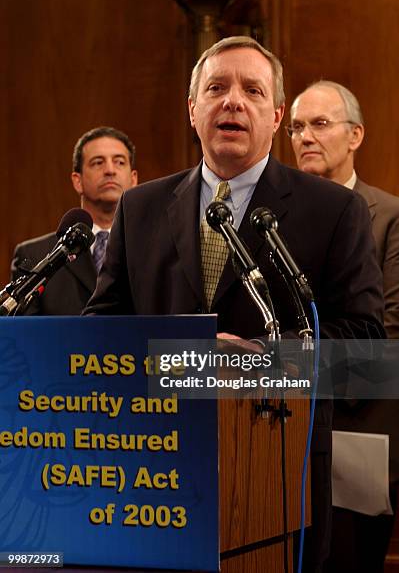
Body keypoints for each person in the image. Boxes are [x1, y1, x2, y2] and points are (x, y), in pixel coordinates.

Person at [83, 37, 385, 571]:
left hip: (277, 475)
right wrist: (186, 356)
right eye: (216, 88)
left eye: (252, 90)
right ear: (192, 109)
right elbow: (101, 334)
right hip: (155, 472)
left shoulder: (336, 210)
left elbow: (363, 352)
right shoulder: (141, 207)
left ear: (274, 116)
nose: (233, 101)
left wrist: (255, 363)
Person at [290, 80, 399, 572]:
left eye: (319, 124)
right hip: (280, 428)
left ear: (355, 136)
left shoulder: (390, 216)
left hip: (358, 426)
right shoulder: (275, 218)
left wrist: (292, 369)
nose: (305, 137)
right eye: (295, 127)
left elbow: (390, 333)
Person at [11, 126, 137, 315]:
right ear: (77, 181)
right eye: (97, 163)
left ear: (133, 179)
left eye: (119, 162)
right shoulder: (36, 255)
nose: (110, 170)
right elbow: (24, 336)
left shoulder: (152, 252)